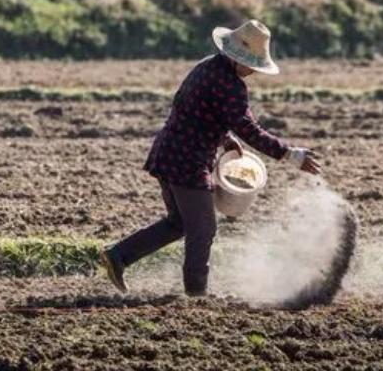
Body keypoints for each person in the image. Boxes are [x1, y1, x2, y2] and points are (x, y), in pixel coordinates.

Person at [100, 20, 321, 296]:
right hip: (187, 161)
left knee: (179, 223)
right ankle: (196, 294)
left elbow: (191, 105)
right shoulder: (230, 85)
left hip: (168, 152)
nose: (253, 70)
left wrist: (224, 137)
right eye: (253, 64)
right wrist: (290, 155)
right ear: (239, 58)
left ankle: (118, 256)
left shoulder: (208, 66)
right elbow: (250, 130)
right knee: (203, 228)